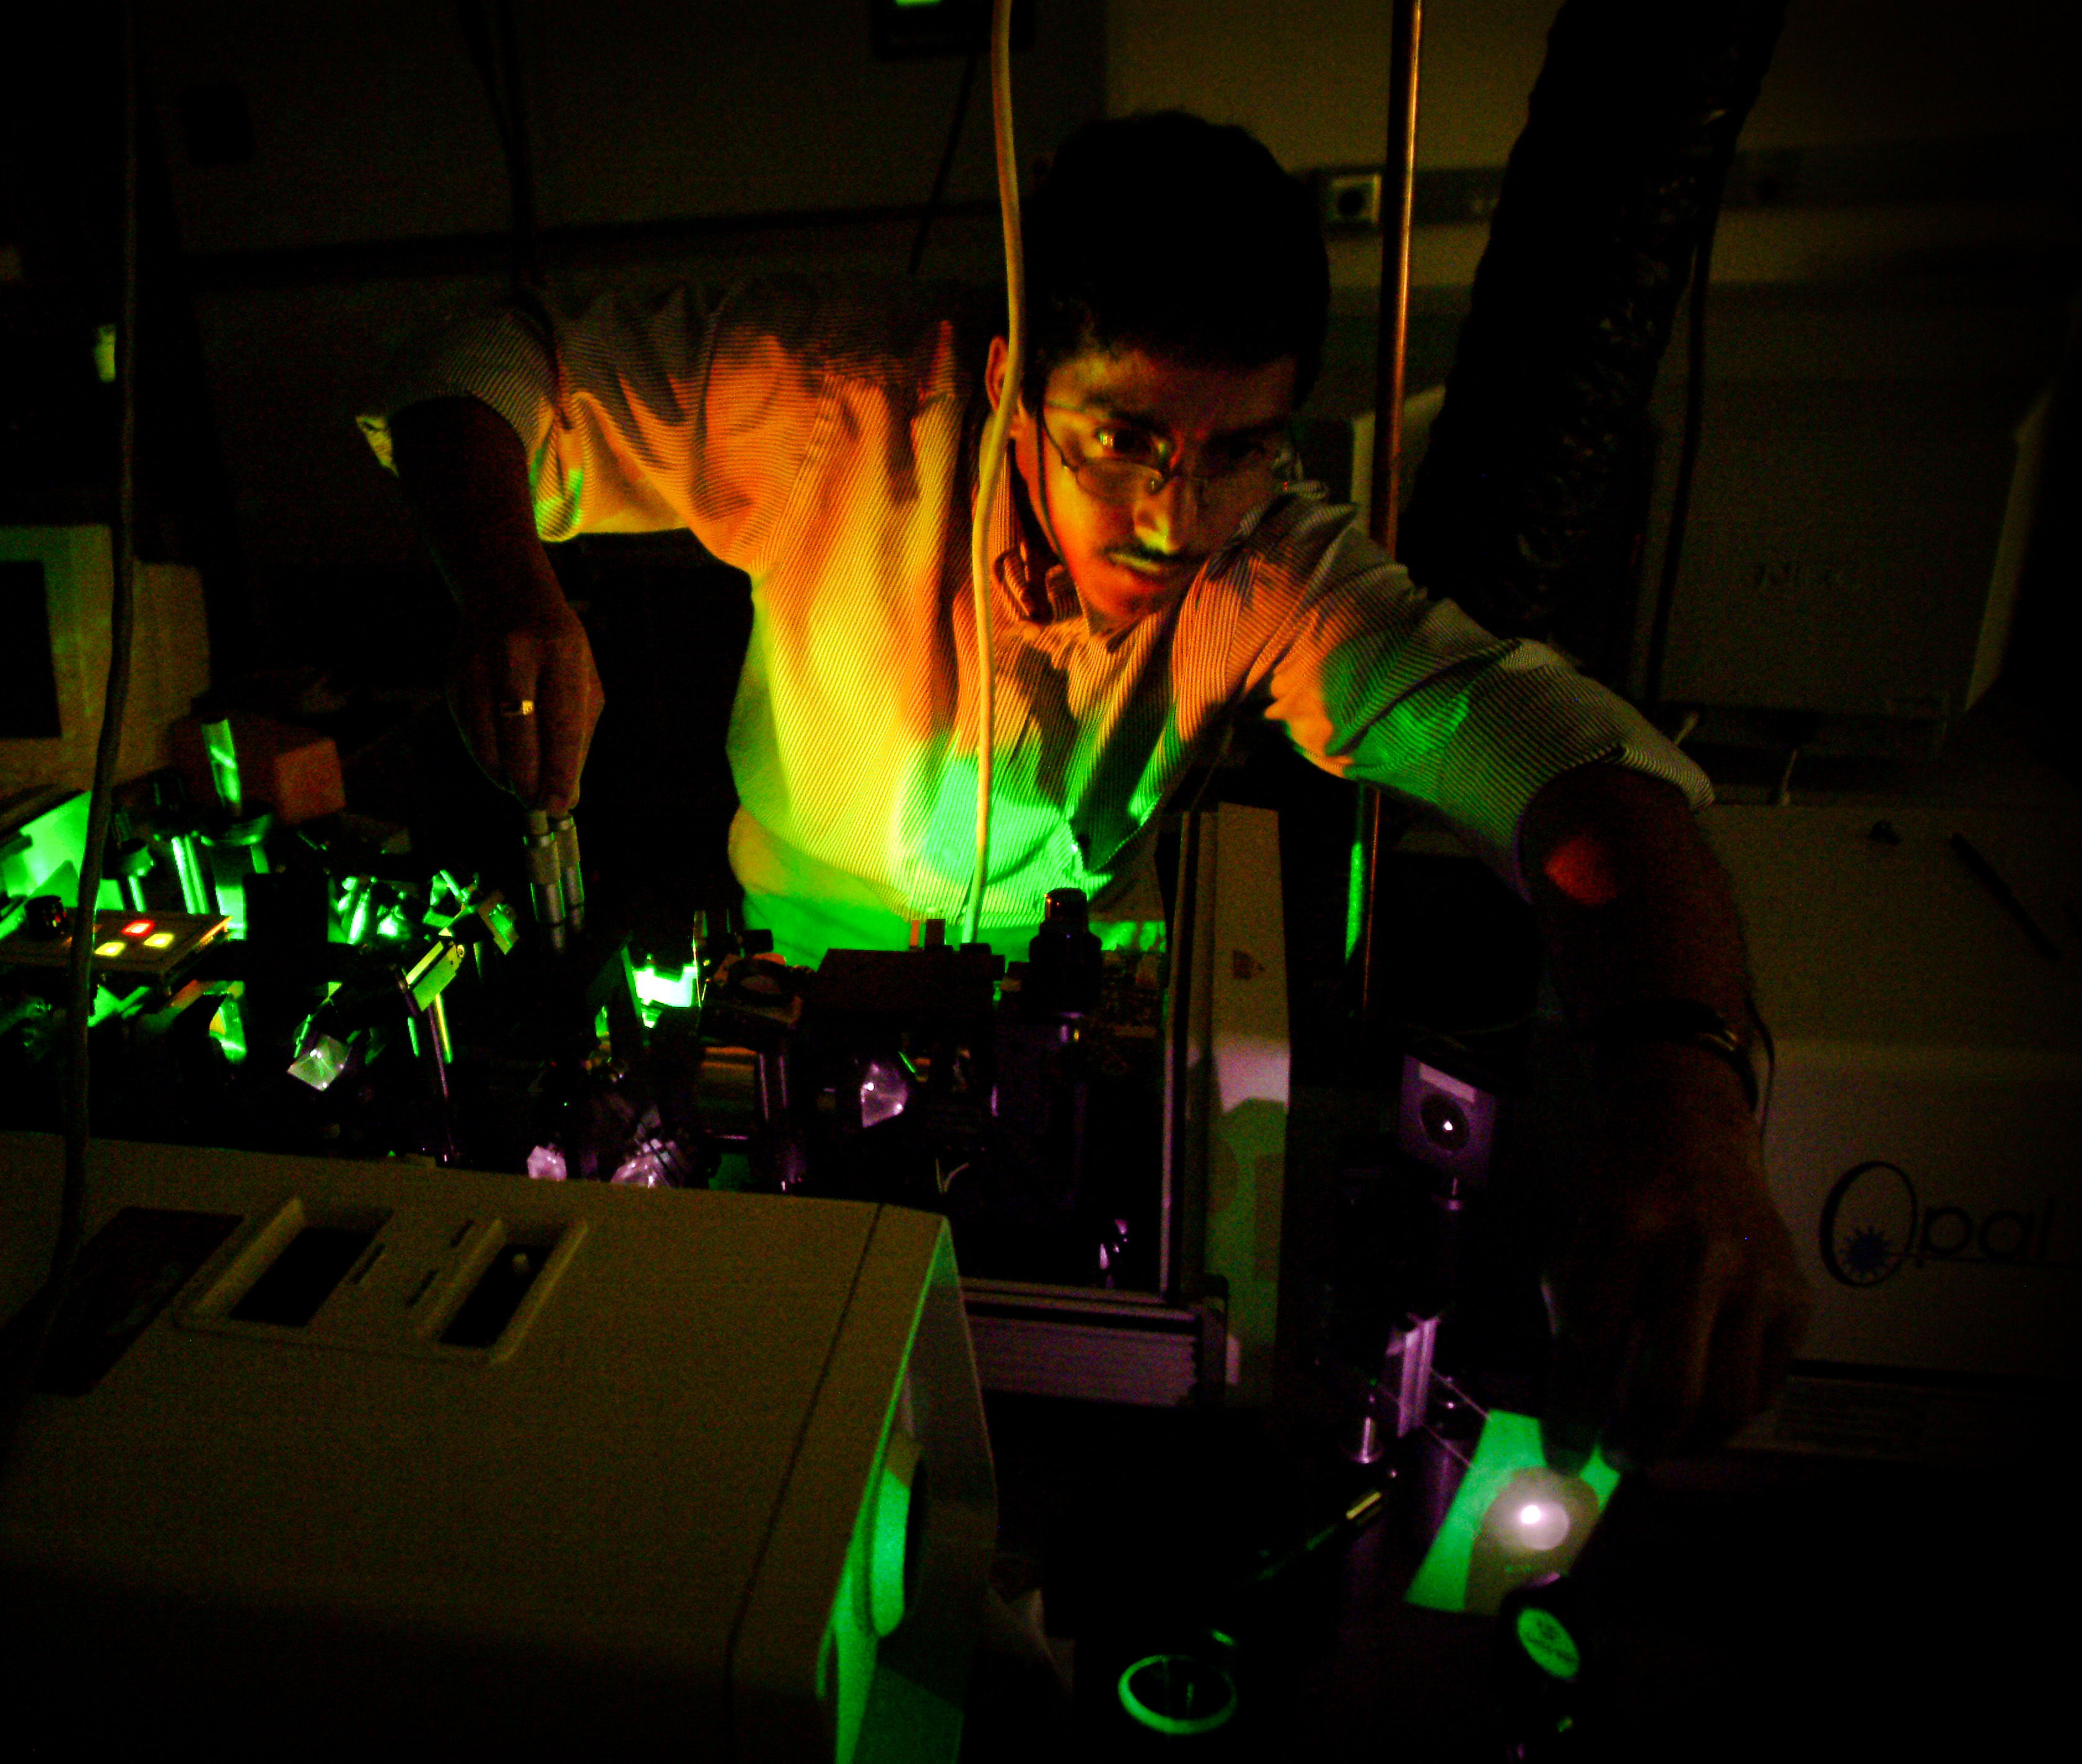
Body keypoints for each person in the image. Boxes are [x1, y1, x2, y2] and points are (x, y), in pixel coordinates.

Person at [362, 112, 1809, 1464]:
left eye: (1235, 451)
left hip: (1078, 1059)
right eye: (1122, 439)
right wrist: (505, 584)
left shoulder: (1270, 565)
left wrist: (1685, 1094)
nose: (1176, 518)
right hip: (785, 1007)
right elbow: (474, 364)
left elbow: (1565, 766)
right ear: (1012, 381)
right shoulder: (839, 403)